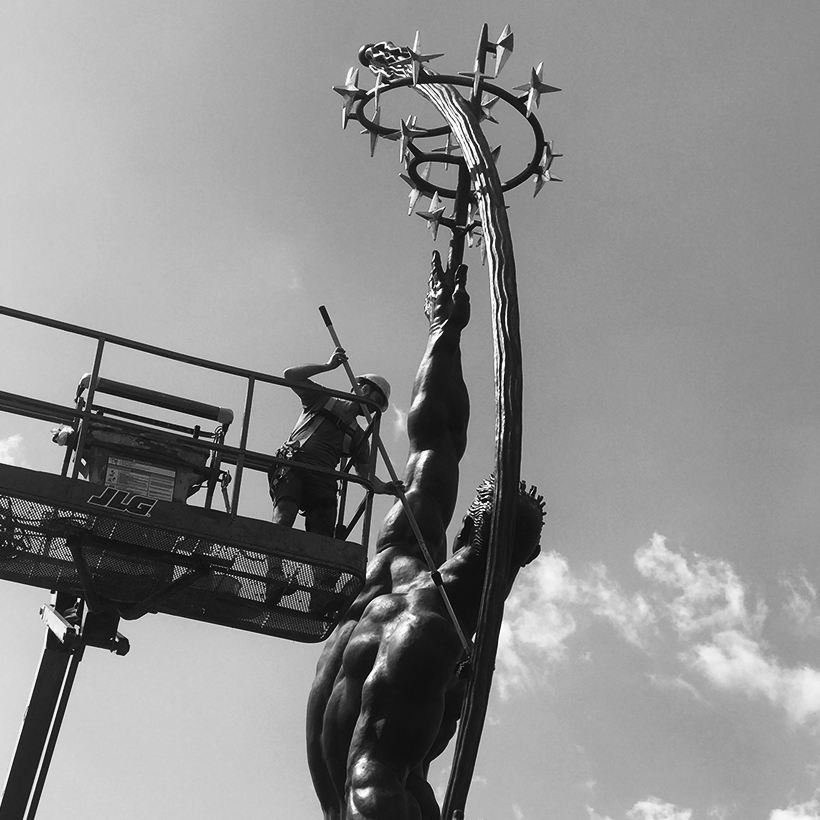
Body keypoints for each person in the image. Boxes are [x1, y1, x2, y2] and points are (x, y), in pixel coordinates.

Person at [305, 252, 545, 820]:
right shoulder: (432, 636)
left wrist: (445, 329)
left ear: (464, 526)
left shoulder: (400, 558)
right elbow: (374, 785)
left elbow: (433, 438)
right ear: (517, 564)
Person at [269, 350, 400, 538]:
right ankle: (275, 568)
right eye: (376, 400)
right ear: (362, 388)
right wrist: (328, 366)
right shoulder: (322, 399)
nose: (375, 407)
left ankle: (321, 569)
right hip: (294, 465)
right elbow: (290, 376)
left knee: (322, 537)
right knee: (285, 514)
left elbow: (365, 474)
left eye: (379, 406)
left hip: (323, 479)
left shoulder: (359, 436)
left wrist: (384, 488)